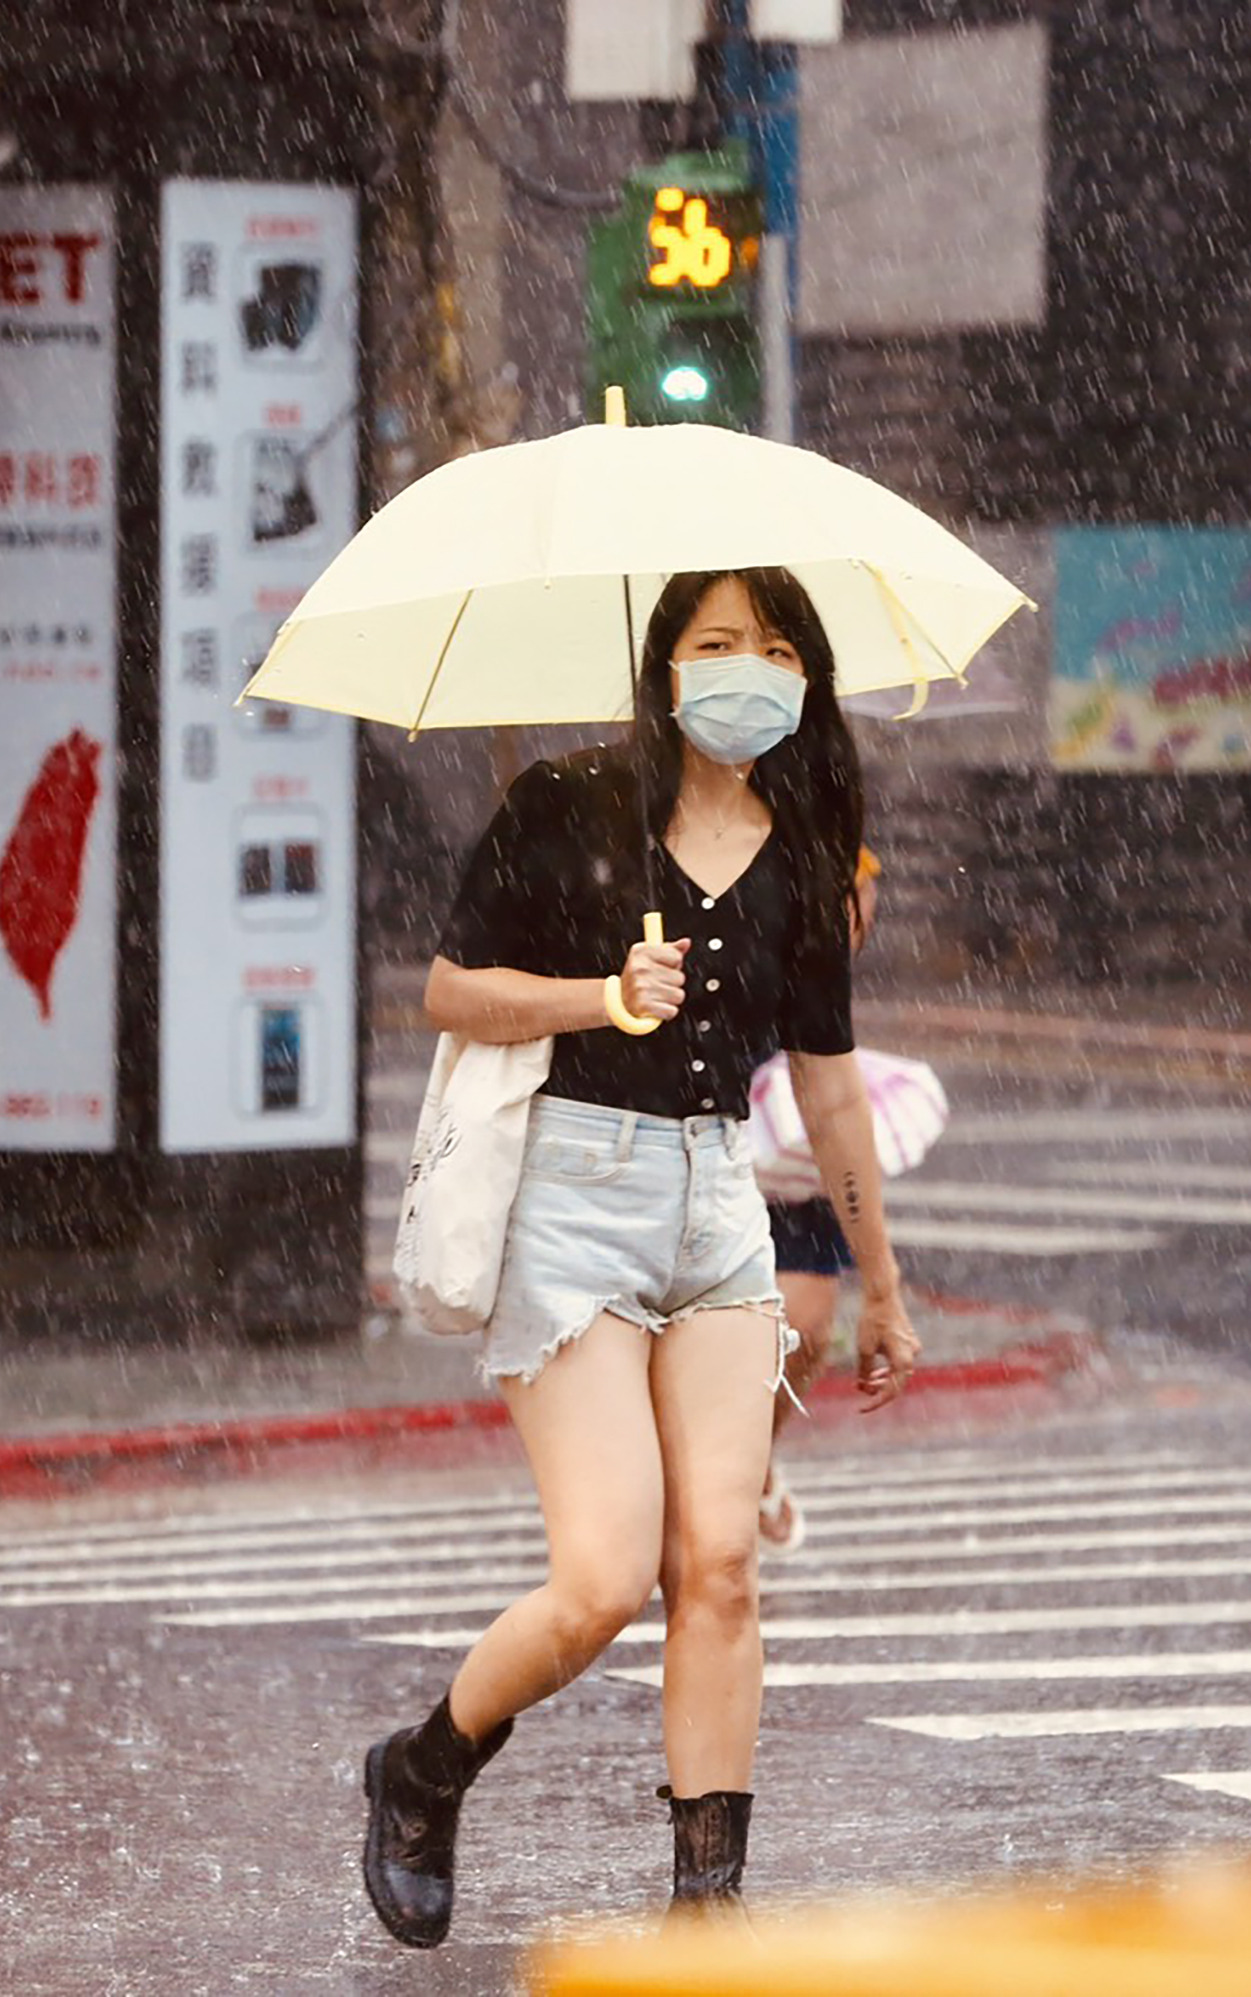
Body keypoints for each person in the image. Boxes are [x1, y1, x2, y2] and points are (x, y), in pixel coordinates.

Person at [359, 567, 920, 1947]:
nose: (749, 668)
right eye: (719, 642)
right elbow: (447, 989)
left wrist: (882, 1282)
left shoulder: (805, 847)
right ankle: (426, 1763)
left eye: (776, 647)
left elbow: (831, 1084)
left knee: (720, 1562)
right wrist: (598, 996)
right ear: (666, 666)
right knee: (606, 1578)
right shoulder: (568, 804)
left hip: (716, 1199)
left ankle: (706, 1912)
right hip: (574, 1197)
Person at [757, 847, 881, 1554]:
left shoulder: (816, 814)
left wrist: (884, 1283)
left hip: (790, 1133)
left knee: (803, 1329)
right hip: (689, 1124)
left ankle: (753, 1457)